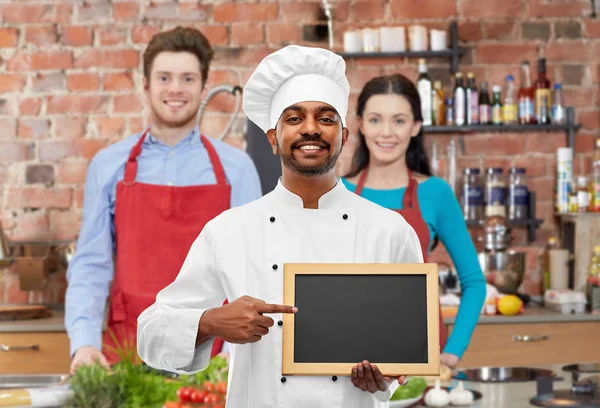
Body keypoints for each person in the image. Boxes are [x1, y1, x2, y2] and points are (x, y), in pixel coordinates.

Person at [137, 45, 423, 408]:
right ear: (273, 138)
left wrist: (384, 379)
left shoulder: (390, 232)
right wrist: (210, 322)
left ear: (344, 137)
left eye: (325, 118)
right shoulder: (229, 231)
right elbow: (150, 334)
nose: (310, 129)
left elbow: (404, 347)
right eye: (294, 118)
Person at [65, 26, 261, 374]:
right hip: (127, 350)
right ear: (146, 86)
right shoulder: (108, 166)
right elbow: (91, 264)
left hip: (212, 352)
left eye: (187, 78)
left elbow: (253, 269)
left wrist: (234, 353)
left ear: (203, 87)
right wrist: (83, 342)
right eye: (164, 77)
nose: (175, 89)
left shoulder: (237, 169)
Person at [340, 74, 486, 368]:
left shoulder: (435, 193)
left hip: (422, 351)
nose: (386, 132)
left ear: (415, 126)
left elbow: (474, 282)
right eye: (375, 119)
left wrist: (452, 353)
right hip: (349, 352)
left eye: (399, 120)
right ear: (360, 124)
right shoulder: (336, 192)